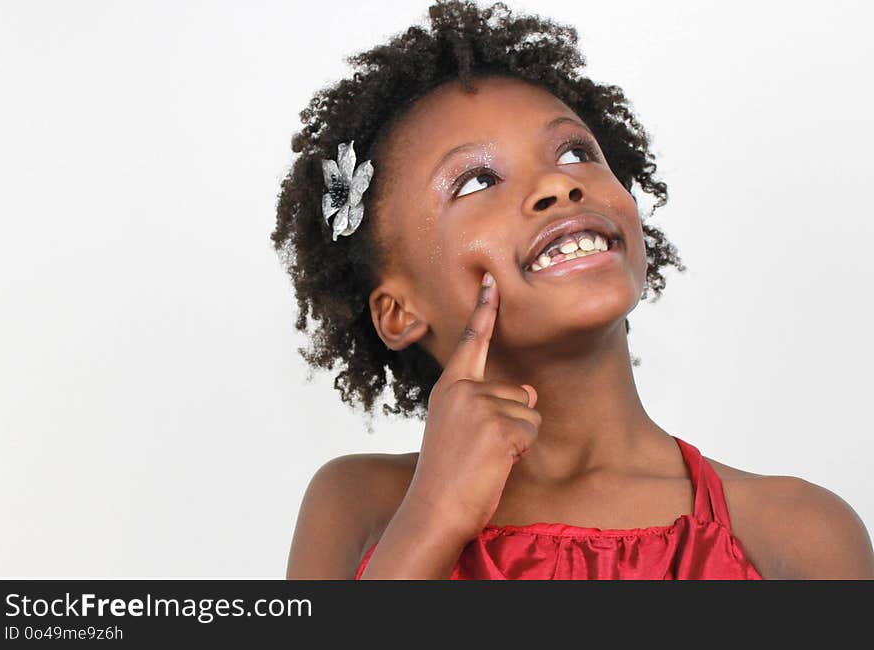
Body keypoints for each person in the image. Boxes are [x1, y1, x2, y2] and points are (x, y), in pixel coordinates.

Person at [272, 0, 874, 579]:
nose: (559, 186)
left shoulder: (797, 533)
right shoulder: (362, 508)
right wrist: (433, 520)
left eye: (575, 152)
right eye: (478, 180)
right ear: (400, 311)